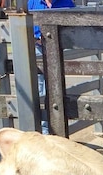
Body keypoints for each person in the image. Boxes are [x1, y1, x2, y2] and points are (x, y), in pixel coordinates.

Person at [28, 0, 75, 133]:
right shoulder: (32, 2)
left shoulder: (67, 2)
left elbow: (74, 25)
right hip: (38, 46)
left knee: (57, 86)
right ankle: (44, 130)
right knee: (40, 87)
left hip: (59, 48)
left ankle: (57, 126)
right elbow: (26, 25)